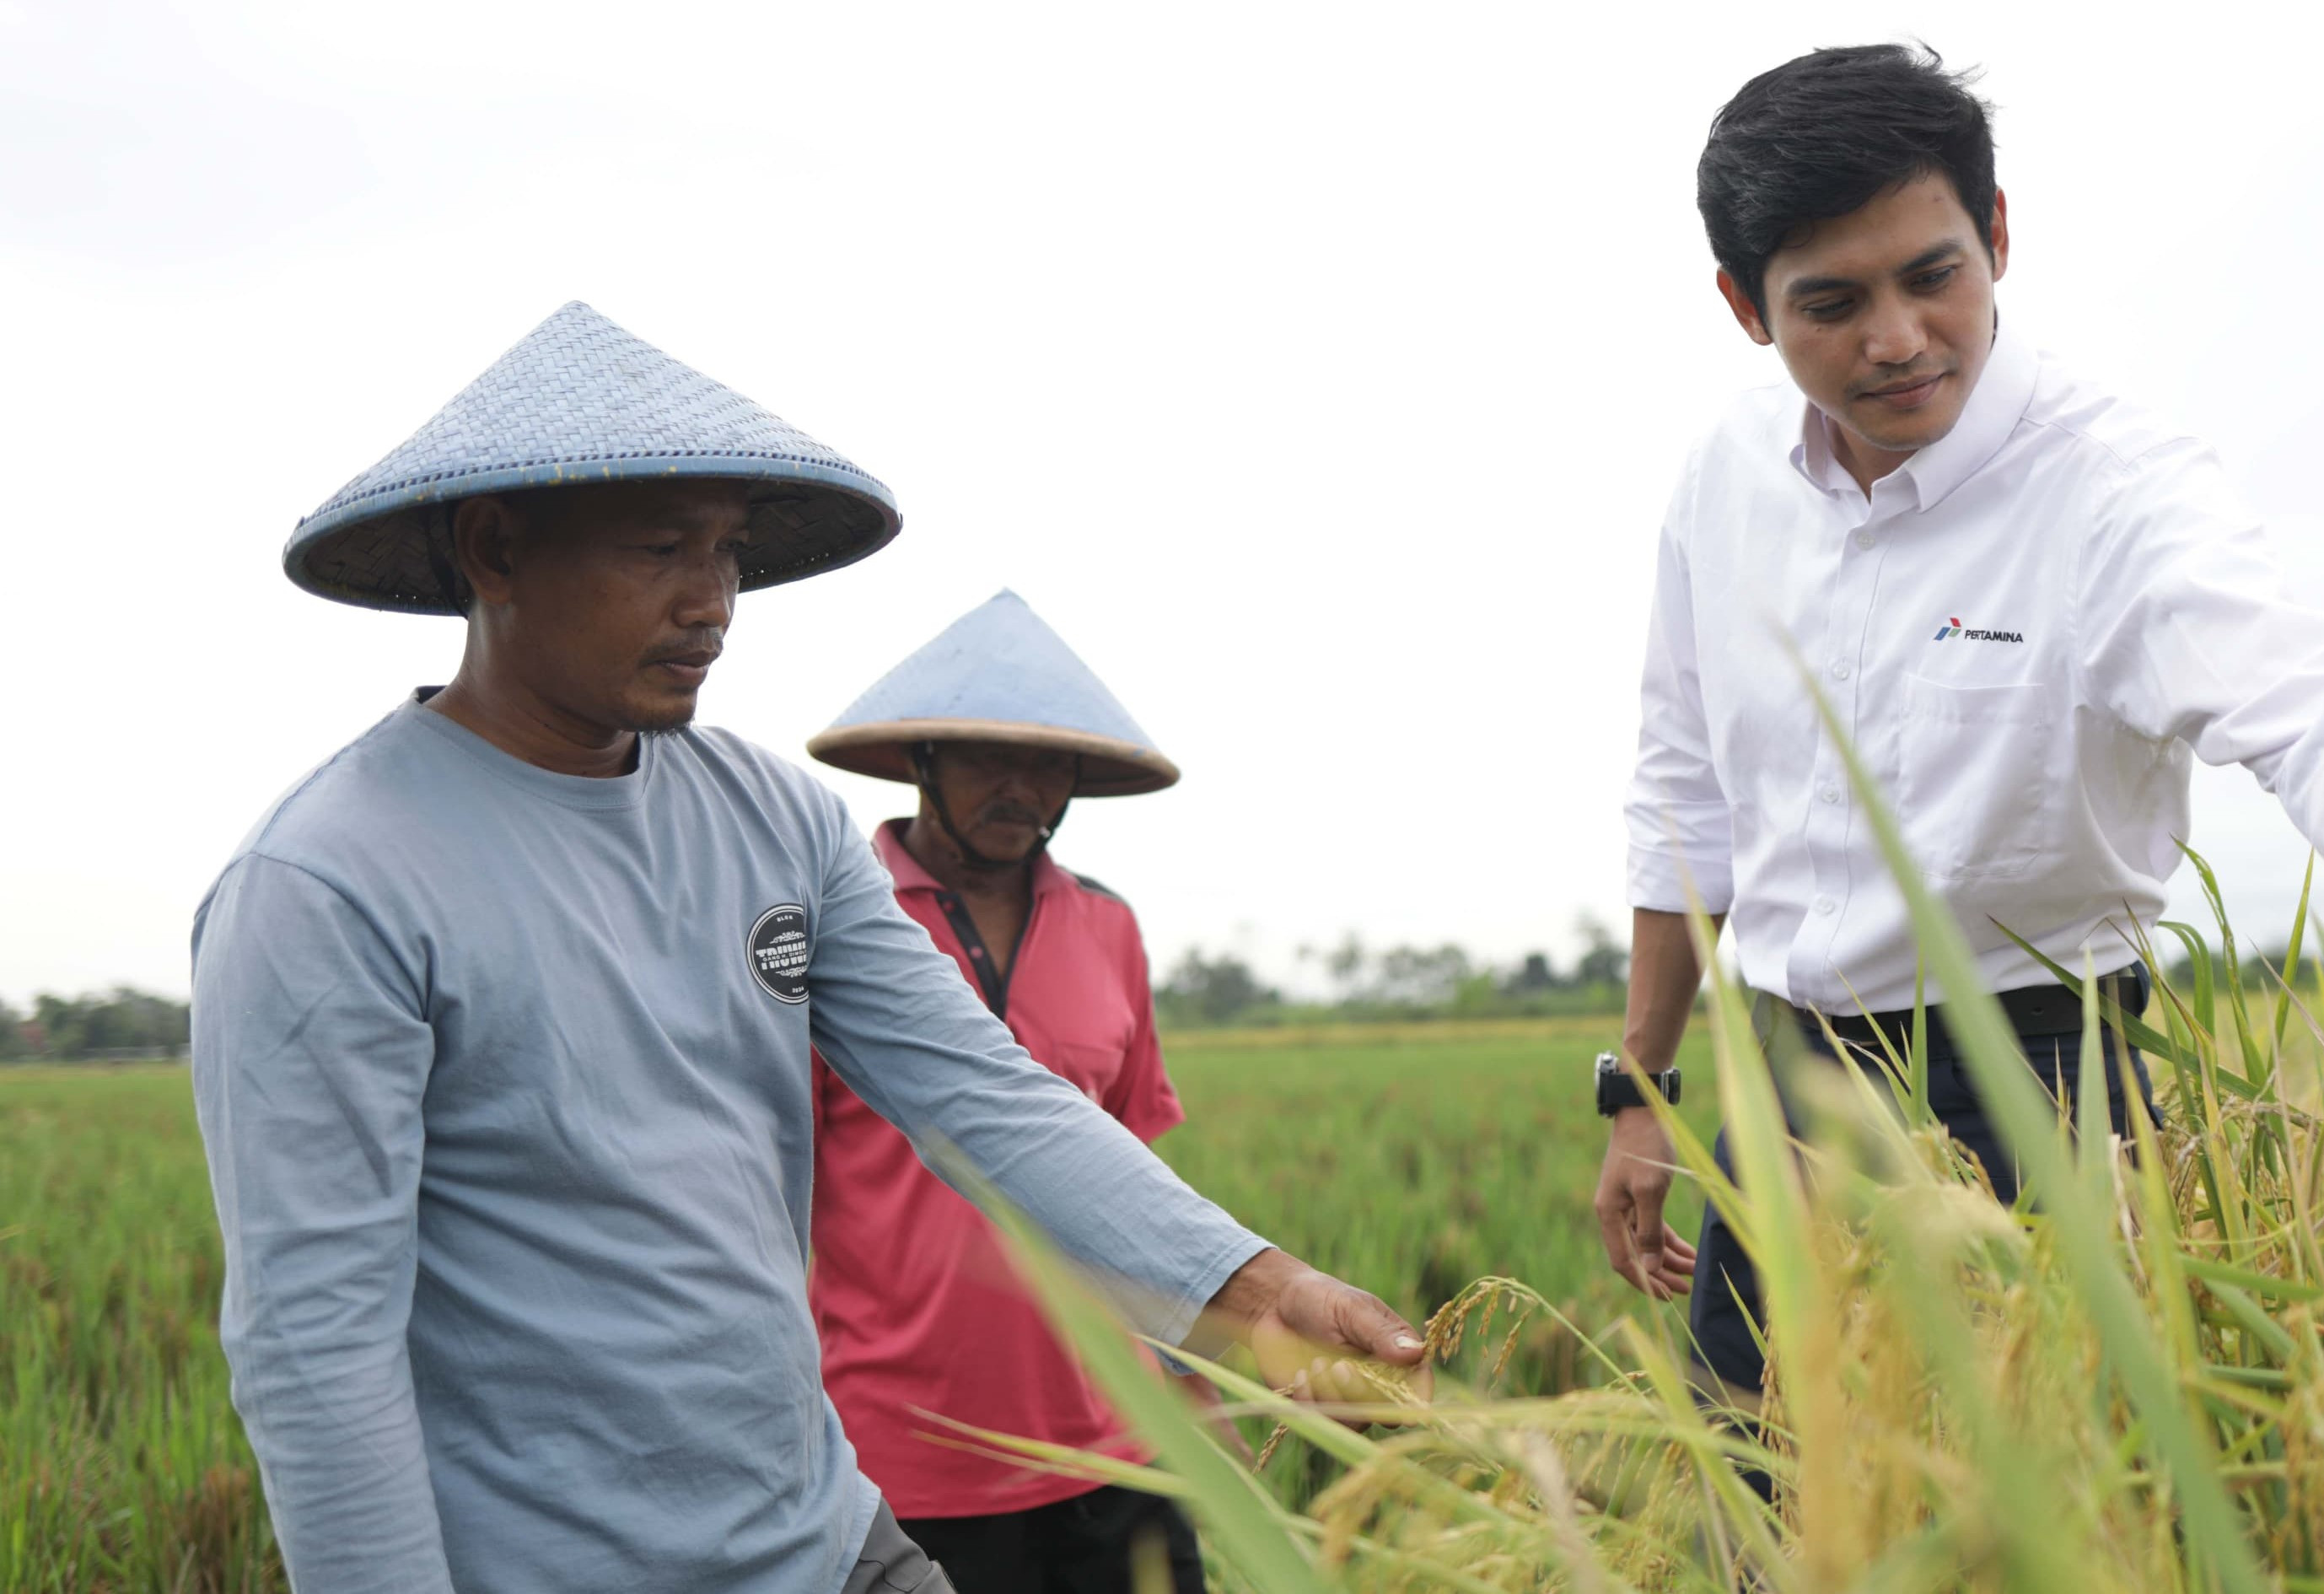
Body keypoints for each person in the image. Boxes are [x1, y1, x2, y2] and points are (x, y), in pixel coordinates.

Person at [192, 301, 1421, 1594]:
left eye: (726, 553)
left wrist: (1255, 1288)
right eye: (664, 547)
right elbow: (315, 1346)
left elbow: (984, 1094)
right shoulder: (330, 884)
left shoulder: (773, 819)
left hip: (831, 1542)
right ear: (494, 546)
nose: (714, 602)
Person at [1590, 46, 2324, 1403]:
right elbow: (1682, 787)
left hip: (2041, 1091)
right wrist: (1641, 1086)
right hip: (1783, 1083)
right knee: (1759, 1500)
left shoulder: (2113, 490)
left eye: (1933, 274)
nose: (1896, 338)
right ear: (1745, 309)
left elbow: (2320, 711)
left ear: (1996, 236)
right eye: (1833, 302)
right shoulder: (1724, 478)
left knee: (2064, 1513)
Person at [803, 592, 1223, 1592]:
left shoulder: (1107, 928)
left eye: (1048, 763)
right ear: (922, 761)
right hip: (904, 1454)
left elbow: (1128, 1167)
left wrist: (1190, 1369)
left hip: (1118, 1435)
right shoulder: (829, 926)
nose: (1021, 787)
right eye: (990, 758)